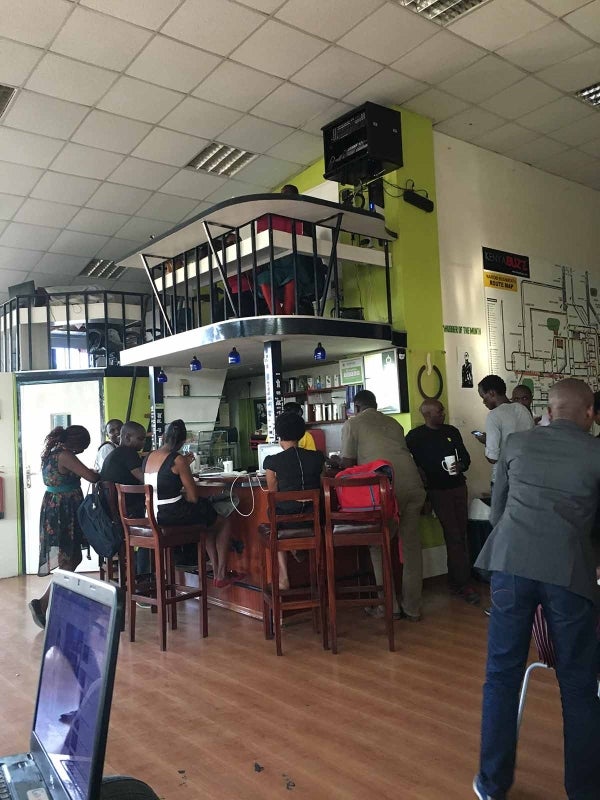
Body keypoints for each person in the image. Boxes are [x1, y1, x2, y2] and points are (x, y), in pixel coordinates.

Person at [473, 378, 600, 800]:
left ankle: (492, 784)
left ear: (549, 409)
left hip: (510, 565)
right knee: (579, 684)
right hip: (569, 572)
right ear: (589, 413)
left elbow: (498, 514)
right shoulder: (596, 452)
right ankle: (583, 790)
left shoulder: (518, 445)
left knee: (501, 675)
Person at [341, 390, 426, 621]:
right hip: (413, 484)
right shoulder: (394, 423)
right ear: (376, 405)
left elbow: (347, 464)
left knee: (379, 544)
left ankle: (388, 607)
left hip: (387, 487)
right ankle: (412, 607)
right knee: (410, 547)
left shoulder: (353, 424)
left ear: (355, 407)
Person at [143, 419, 239, 587]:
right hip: (171, 514)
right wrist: (184, 467)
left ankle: (217, 572)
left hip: (152, 514)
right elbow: (193, 497)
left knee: (208, 518)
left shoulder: (149, 457)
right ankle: (221, 574)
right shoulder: (177, 459)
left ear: (163, 437)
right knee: (222, 521)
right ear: (183, 441)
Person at [406, 400, 480, 605]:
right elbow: (408, 462)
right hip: (436, 490)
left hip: (457, 485)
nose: (444, 413)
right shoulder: (415, 437)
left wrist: (461, 465)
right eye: (439, 411)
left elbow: (465, 457)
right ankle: (462, 583)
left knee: (460, 533)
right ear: (427, 414)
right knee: (454, 534)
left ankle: (457, 580)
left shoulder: (451, 431)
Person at [29, 425, 100, 629]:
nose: (83, 451)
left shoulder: (52, 452)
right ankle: (44, 603)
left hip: (54, 507)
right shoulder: (65, 455)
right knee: (69, 559)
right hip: (64, 510)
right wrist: (95, 473)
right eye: (83, 446)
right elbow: (91, 477)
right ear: (76, 442)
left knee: (73, 557)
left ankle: (56, 601)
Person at [263, 411, 325, 591]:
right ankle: (301, 552)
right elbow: (322, 485)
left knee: (273, 513)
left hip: (286, 524)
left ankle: (283, 577)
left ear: (280, 434)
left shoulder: (272, 462)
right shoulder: (317, 458)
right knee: (285, 514)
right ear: (302, 433)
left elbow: (273, 493)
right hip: (314, 521)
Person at [256, 184, 322, 315]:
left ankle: (284, 319)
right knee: (263, 278)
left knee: (292, 276)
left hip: (298, 265)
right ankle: (280, 317)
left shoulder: (304, 217)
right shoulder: (274, 219)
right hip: (278, 265)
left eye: (290, 196)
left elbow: (309, 241)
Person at [475, 375, 534, 489]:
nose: (483, 402)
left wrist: (486, 441)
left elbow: (493, 458)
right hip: (525, 478)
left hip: (503, 480)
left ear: (492, 393)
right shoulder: (523, 410)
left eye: (483, 397)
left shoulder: (494, 415)